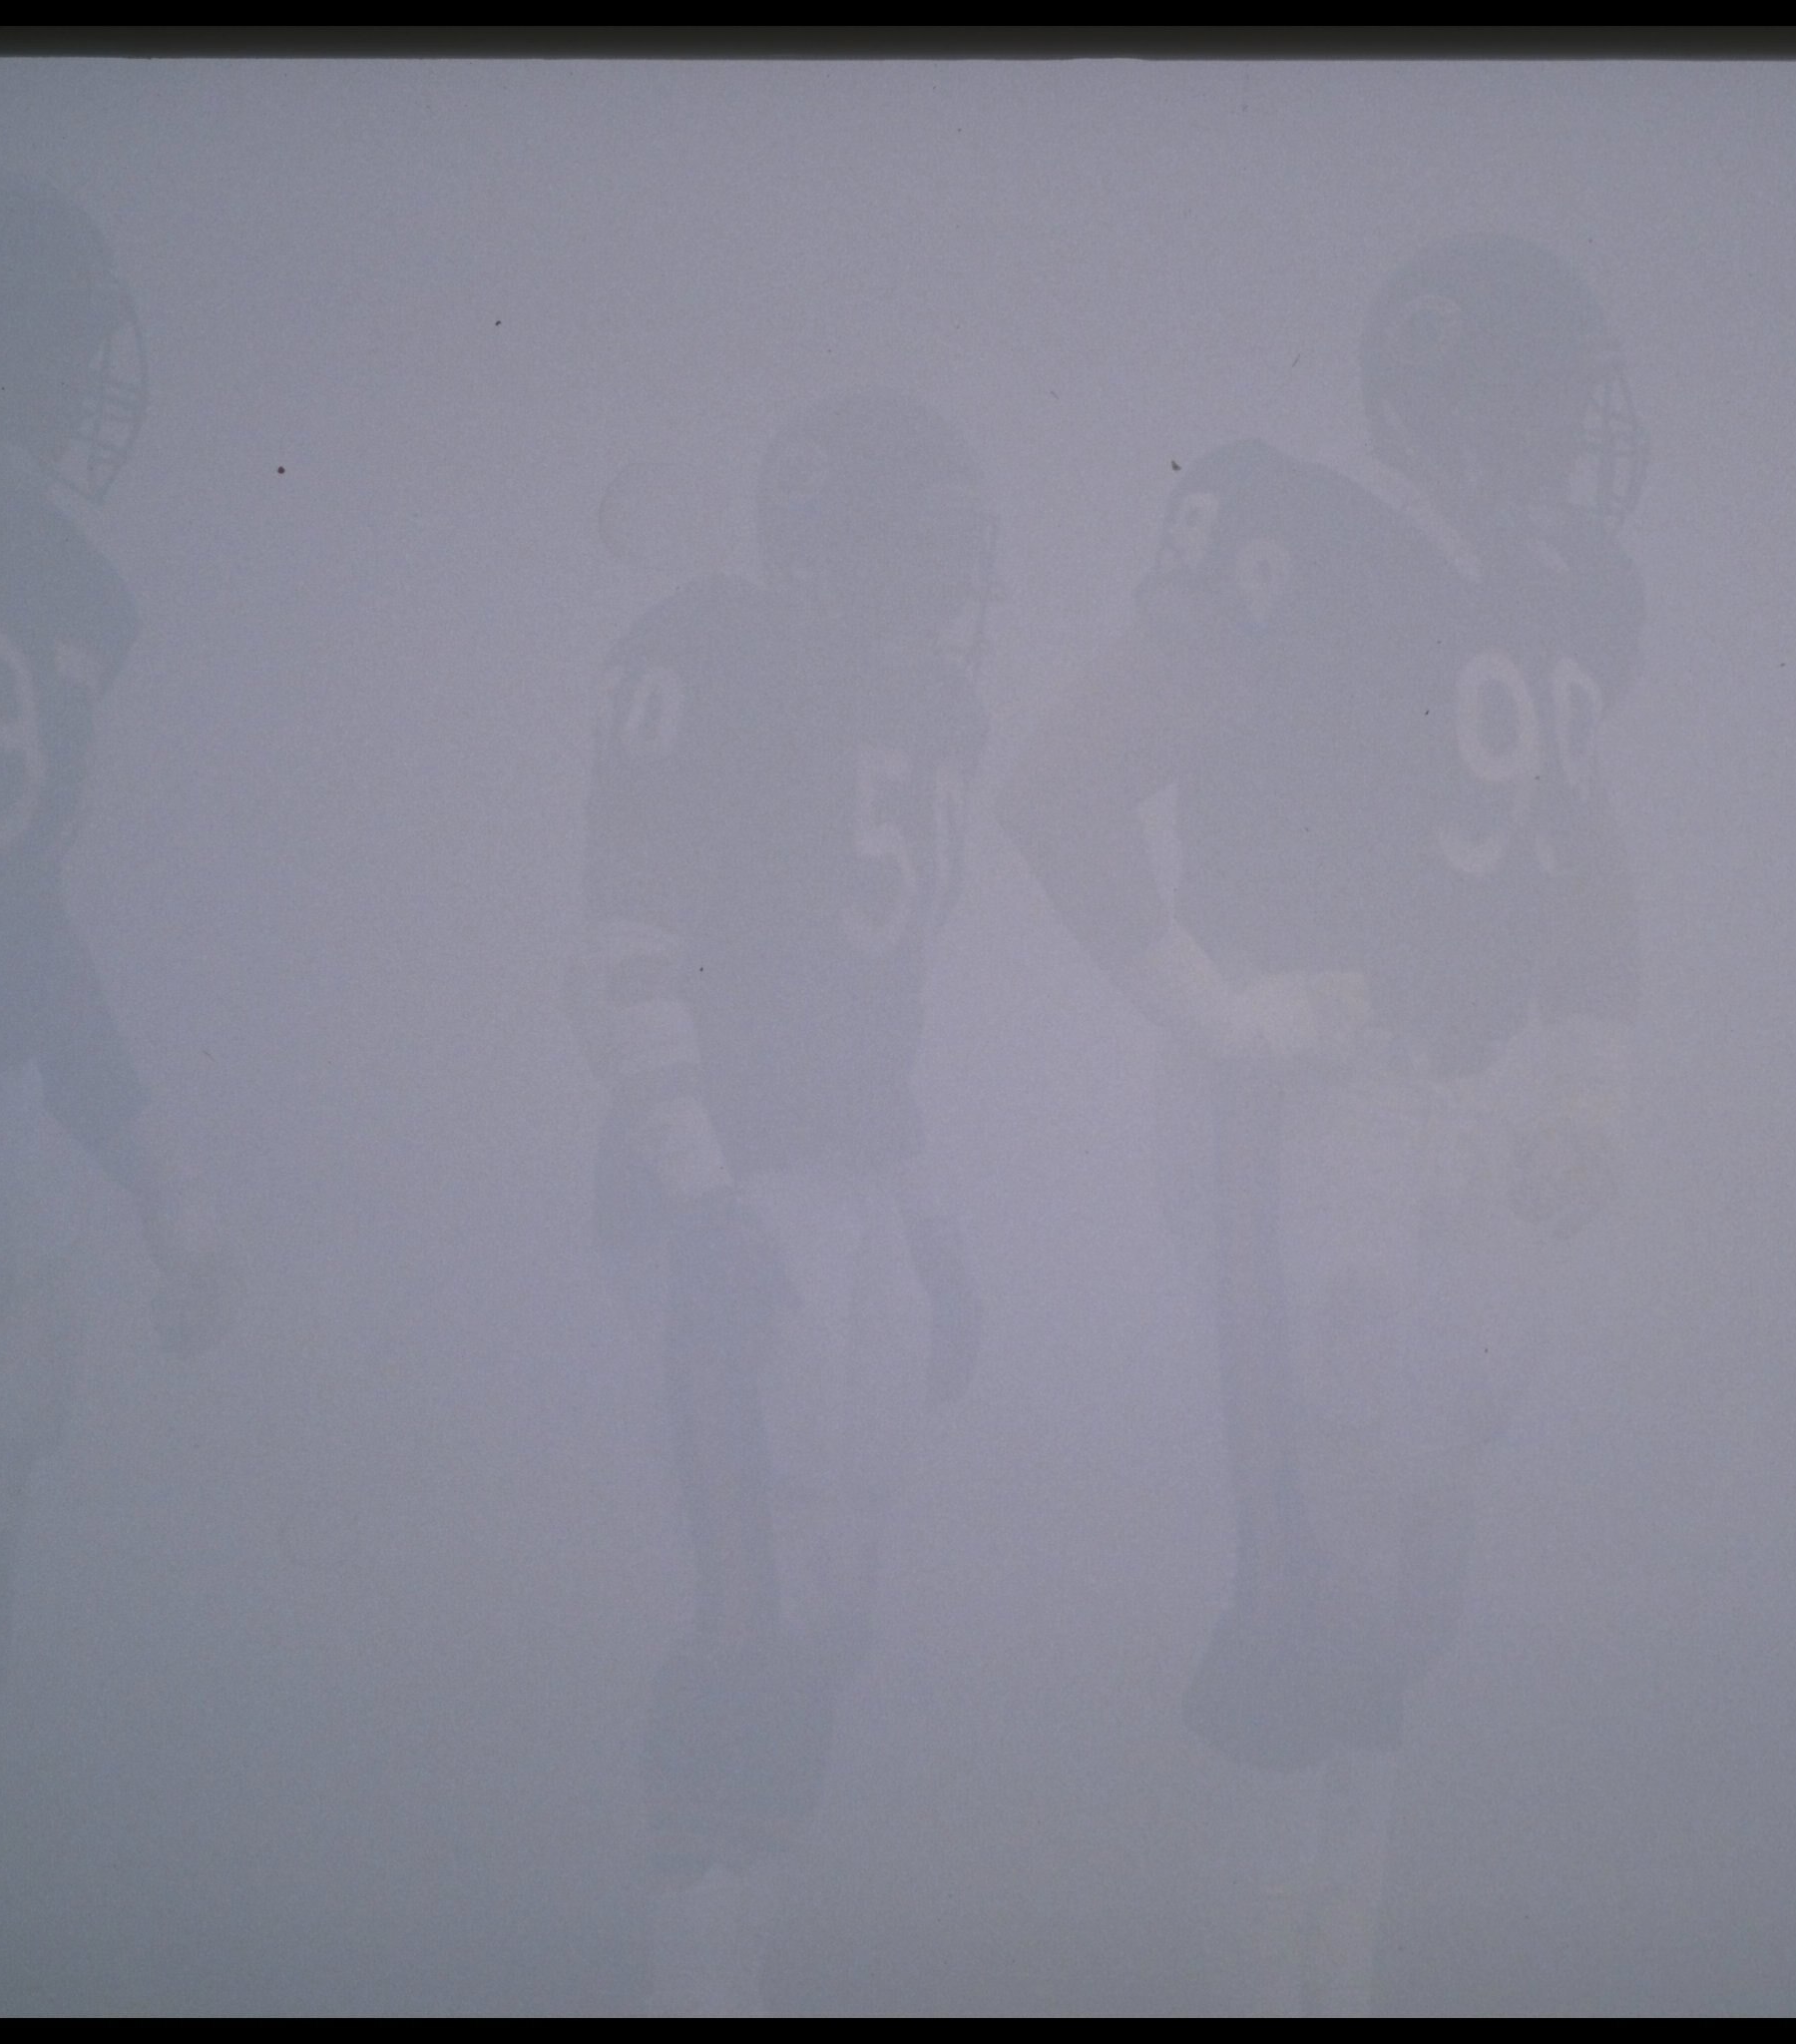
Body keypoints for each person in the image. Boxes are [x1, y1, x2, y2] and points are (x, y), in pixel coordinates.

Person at [1002, 233, 1649, 2014]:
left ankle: (1328, 1970)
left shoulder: (1557, 587)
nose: (1571, 434)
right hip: (1306, 1113)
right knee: (1311, 1574)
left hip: (1474, 1109)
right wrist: (1214, 1010)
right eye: (1539, 389)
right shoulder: (1305, 532)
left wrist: (1591, 1073)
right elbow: (1063, 780)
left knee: (1416, 1573)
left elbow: (1578, 850)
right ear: (1445, 389)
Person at [0, 172, 239, 2018]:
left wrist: (155, 1158)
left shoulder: (56, 582)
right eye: (49, 347)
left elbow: (20, 907)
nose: (74, 387)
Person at [564, 390, 993, 2016]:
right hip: (728, 1184)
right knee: (748, 1606)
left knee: (834, 1613)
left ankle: (744, 1953)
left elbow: (885, 996)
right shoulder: (716, 653)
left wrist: (921, 1203)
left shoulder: (919, 710)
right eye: (923, 537)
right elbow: (629, 926)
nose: (949, 578)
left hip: (850, 1178)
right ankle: (698, 1979)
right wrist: (697, 1186)